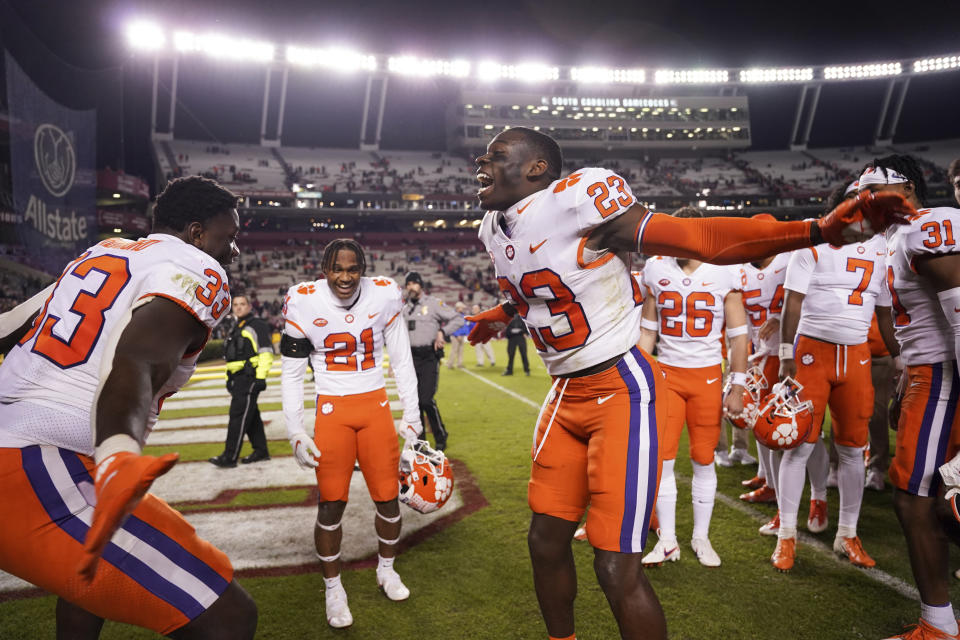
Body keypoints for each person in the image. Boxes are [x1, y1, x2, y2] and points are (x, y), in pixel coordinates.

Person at [465, 126, 912, 640]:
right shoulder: (491, 227)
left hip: (619, 390)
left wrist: (817, 230)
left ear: (536, 168)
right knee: (544, 543)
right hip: (563, 392)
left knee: (615, 566)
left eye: (497, 154)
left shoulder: (578, 200)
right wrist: (501, 312)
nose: (482, 160)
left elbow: (701, 239)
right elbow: (553, 286)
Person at [0, 176, 257, 638]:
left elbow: (10, 325)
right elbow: (137, 358)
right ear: (197, 233)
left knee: (87, 580)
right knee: (230, 619)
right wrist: (117, 453)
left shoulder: (105, 250)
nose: (234, 251)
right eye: (229, 237)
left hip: (23, 445)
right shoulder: (199, 267)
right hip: (37, 460)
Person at [280, 239, 423, 629]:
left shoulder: (385, 294)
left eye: (352, 268)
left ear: (364, 268)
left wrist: (412, 415)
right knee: (330, 504)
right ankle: (333, 588)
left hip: (375, 408)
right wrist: (295, 429)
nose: (345, 277)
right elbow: (292, 373)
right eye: (336, 269)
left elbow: (401, 358)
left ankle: (387, 569)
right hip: (332, 412)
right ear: (323, 269)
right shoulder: (303, 300)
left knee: (388, 499)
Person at [773, 180, 899, 573]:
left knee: (852, 448)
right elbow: (793, 302)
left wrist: (900, 357)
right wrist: (784, 353)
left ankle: (847, 533)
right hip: (813, 352)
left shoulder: (881, 247)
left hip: (857, 354)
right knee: (799, 446)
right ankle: (786, 536)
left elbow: (882, 312)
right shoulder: (813, 241)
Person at [871, 155, 960, 640]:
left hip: (945, 375)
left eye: (869, 191)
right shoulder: (895, 238)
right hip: (928, 372)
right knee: (928, 496)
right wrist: (906, 369)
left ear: (903, 188)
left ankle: (940, 625)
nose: (859, 203)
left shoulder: (930, 226)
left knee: (919, 499)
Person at [638, 207, 750, 568]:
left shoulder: (724, 271)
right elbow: (648, 330)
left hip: (706, 377)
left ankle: (701, 536)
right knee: (664, 461)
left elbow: (738, 335)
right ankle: (668, 540)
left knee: (704, 459)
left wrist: (738, 384)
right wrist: (638, 373)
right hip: (667, 376)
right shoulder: (656, 268)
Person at [737, 213, 792, 525]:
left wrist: (782, 318)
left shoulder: (790, 261)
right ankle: (768, 479)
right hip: (761, 355)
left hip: (788, 354)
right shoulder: (743, 270)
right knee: (762, 423)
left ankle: (810, 496)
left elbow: (804, 303)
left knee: (785, 427)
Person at [209, 294, 274, 467]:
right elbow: (232, 358)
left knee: (238, 416)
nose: (238, 307)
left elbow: (266, 352)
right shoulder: (236, 326)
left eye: (242, 304)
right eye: (235, 304)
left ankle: (229, 457)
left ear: (249, 307)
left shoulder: (256, 325)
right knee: (251, 416)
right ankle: (261, 451)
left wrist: (260, 377)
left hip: (249, 377)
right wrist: (228, 379)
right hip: (237, 378)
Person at [403, 271, 463, 451]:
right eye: (408, 284)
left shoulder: (433, 303)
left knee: (426, 400)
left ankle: (440, 434)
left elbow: (458, 319)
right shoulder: (405, 308)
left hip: (429, 355)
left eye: (413, 283)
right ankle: (420, 441)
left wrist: (442, 332)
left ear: (421, 285)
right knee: (415, 403)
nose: (410, 287)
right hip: (411, 358)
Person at [469, 302, 496, 367]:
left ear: (479, 309)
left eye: (476, 309)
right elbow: (470, 327)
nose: (474, 310)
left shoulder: (483, 315)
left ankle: (492, 360)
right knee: (478, 349)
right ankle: (480, 362)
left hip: (484, 335)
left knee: (487, 348)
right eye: (473, 309)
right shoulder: (472, 318)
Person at [447, 301, 469, 369]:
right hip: (455, 336)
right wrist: (457, 335)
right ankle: (450, 364)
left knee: (460, 350)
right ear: (458, 308)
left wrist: (465, 333)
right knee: (454, 350)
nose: (463, 309)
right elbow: (452, 326)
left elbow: (464, 326)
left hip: (461, 335)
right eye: (462, 308)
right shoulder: (454, 315)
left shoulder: (461, 315)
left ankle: (459, 364)